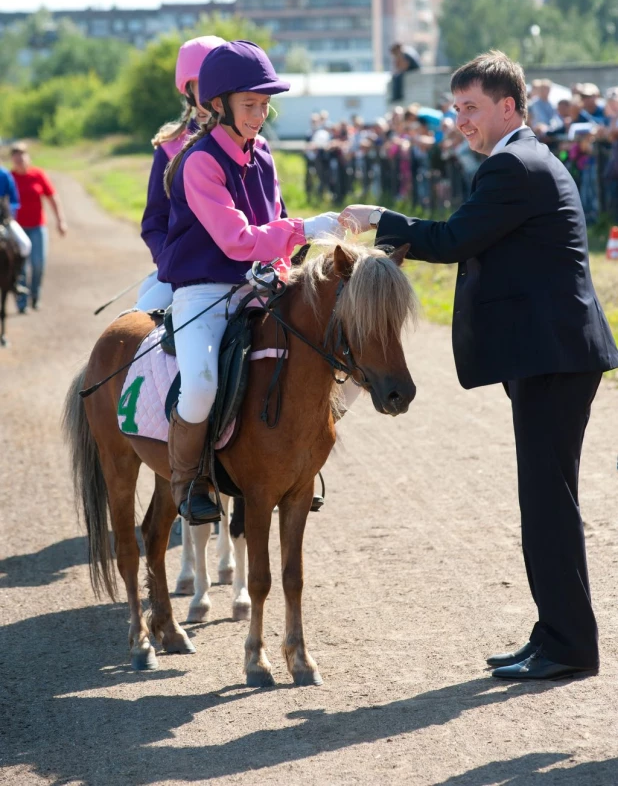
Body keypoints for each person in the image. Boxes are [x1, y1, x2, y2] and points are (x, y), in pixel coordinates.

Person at [340, 50, 618, 682]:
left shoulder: (512, 167)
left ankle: (570, 646)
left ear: (508, 107)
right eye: (455, 108)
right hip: (550, 354)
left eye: (471, 108)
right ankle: (555, 633)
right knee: (546, 500)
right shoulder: (520, 161)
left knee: (548, 504)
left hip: (554, 356)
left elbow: (452, 240)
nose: (460, 120)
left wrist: (382, 220)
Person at [157, 40, 344, 524]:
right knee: (199, 386)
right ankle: (189, 479)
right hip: (205, 291)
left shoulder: (261, 152)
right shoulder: (198, 162)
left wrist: (294, 254)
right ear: (217, 105)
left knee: (334, 353)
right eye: (250, 105)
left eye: (265, 105)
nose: (260, 115)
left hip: (261, 284)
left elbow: (273, 219)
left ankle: (294, 457)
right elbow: (237, 240)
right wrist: (305, 229)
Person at [136, 35, 226, 312]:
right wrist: (172, 261)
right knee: (136, 321)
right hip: (187, 273)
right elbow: (154, 221)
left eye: (221, 83)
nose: (215, 92)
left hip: (248, 266)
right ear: (188, 89)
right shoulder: (169, 147)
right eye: (205, 85)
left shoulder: (252, 142)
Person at [10, 142, 67, 313]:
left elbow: (52, 197)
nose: (20, 159)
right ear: (12, 159)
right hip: (17, 229)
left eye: (22, 155)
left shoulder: (38, 175)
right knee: (20, 266)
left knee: (38, 263)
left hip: (37, 227)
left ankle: (35, 295)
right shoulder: (9, 177)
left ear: (28, 157)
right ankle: (22, 301)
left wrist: (60, 220)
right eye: (16, 156)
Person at [0, 163, 32, 276]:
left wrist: (7, 213)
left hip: (4, 219)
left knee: (25, 244)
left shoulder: (4, 175)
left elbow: (14, 201)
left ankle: (16, 279)